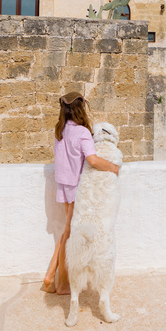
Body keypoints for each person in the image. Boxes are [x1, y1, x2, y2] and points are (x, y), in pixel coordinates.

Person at [43, 91, 120, 295]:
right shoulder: (83, 132)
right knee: (68, 234)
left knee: (67, 231)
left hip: (63, 186)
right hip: (77, 188)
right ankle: (57, 281)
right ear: (80, 108)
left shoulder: (60, 131)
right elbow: (93, 160)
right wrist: (113, 168)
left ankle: (53, 279)